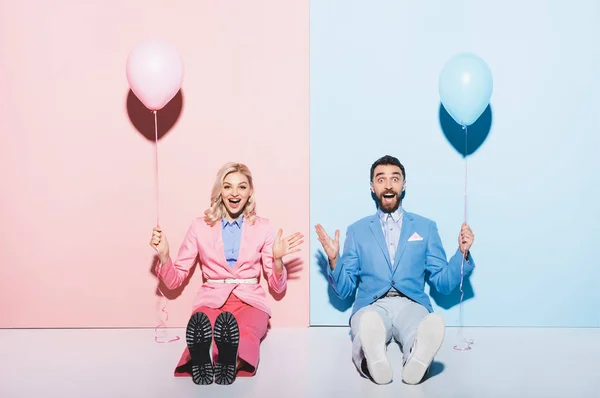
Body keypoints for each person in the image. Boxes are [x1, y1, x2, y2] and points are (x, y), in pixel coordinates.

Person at [314, 155, 475, 385]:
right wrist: (333, 261)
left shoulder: (425, 227)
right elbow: (344, 289)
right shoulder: (357, 231)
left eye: (394, 179)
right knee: (368, 325)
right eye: (381, 179)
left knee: (418, 330)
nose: (388, 185)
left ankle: (416, 360)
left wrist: (463, 253)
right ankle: (373, 360)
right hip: (371, 304)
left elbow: (442, 281)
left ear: (403, 185)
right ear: (372, 187)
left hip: (411, 303)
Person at [149, 162, 304, 385]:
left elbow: (278, 287)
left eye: (241, 187)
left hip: (250, 300)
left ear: (250, 192)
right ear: (219, 190)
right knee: (205, 330)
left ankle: (229, 362)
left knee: (247, 331)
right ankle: (205, 358)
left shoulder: (264, 227)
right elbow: (175, 280)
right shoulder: (199, 226)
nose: (234, 193)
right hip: (211, 298)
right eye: (227, 186)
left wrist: (278, 260)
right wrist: (164, 256)